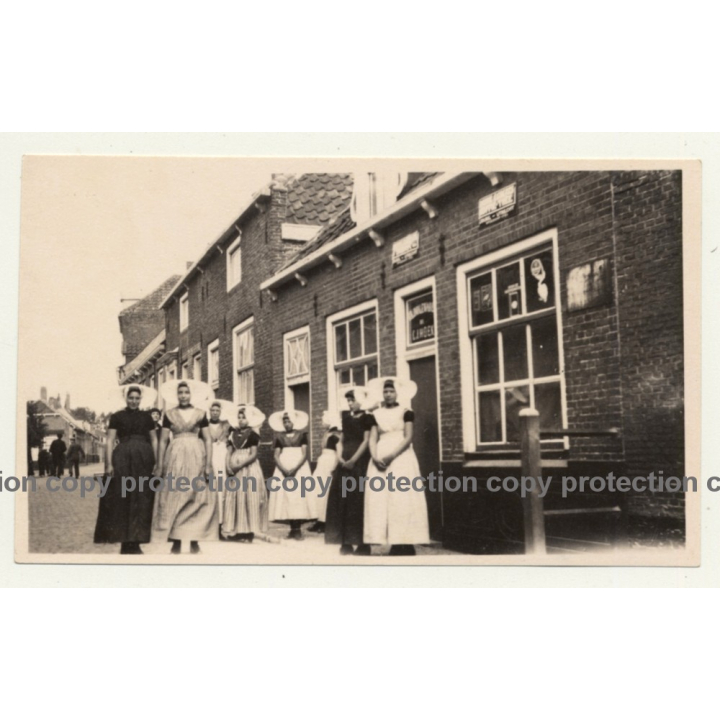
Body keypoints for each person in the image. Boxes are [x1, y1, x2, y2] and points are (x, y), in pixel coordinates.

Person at [364, 377, 430, 556]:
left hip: (401, 456)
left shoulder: (406, 411)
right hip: (380, 456)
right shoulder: (375, 414)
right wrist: (375, 456)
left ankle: (405, 542)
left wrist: (391, 456)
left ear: (397, 393)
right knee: (382, 500)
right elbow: (372, 438)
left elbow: (408, 437)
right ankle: (391, 541)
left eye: (391, 391)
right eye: (385, 391)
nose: (388, 394)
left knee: (401, 498)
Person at [155, 380, 217, 555]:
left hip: (196, 456)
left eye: (186, 393)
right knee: (175, 495)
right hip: (175, 457)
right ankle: (175, 539)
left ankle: (193, 539)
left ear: (191, 395)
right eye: (180, 392)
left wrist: (208, 464)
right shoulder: (169, 414)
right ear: (177, 395)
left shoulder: (200, 414)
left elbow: (207, 439)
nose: (183, 396)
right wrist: (159, 465)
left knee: (195, 496)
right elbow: (162, 440)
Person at [94, 385, 158, 554]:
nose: (134, 401)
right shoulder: (116, 417)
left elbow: (154, 440)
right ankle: (124, 541)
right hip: (122, 458)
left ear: (140, 399)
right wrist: (108, 464)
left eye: (137, 398)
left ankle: (136, 541)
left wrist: (157, 461)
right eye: (131, 398)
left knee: (141, 498)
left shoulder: (147, 417)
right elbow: (110, 440)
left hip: (144, 459)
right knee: (122, 498)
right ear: (126, 398)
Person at [325, 388, 373, 555]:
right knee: (342, 500)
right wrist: (340, 457)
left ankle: (362, 543)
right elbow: (341, 440)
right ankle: (345, 542)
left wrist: (354, 460)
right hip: (344, 461)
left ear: (361, 400)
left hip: (360, 461)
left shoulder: (368, 418)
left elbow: (367, 441)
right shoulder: (346, 417)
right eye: (348, 401)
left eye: (352, 400)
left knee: (358, 501)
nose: (350, 404)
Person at [223, 404, 267, 543]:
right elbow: (229, 452)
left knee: (249, 497)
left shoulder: (253, 434)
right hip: (234, 469)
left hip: (248, 468)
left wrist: (239, 465)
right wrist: (228, 465)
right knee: (236, 498)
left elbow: (253, 455)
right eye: (239, 417)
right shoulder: (233, 434)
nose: (241, 420)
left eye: (244, 417)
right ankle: (238, 530)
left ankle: (250, 531)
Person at [268, 409, 314, 540]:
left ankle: (298, 529)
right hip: (283, 468)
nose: (287, 423)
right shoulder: (279, 437)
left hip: (299, 468)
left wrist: (295, 469)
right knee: (286, 497)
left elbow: (304, 454)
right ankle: (292, 529)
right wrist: (283, 469)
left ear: (294, 421)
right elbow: (276, 455)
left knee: (298, 497)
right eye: (284, 421)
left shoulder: (302, 435)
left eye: (289, 421)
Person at [308, 411, 342, 534]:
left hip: (329, 463)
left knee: (326, 491)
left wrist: (334, 467)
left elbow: (339, 453)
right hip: (322, 463)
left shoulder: (336, 435)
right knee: (317, 490)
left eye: (324, 419)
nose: (322, 422)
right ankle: (319, 520)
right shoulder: (327, 434)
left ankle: (326, 522)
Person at [207, 400, 232, 537]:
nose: (215, 413)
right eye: (213, 410)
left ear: (220, 412)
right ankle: (209, 527)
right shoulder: (204, 424)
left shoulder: (226, 425)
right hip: (210, 458)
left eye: (217, 410)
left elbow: (230, 443)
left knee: (221, 491)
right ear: (209, 411)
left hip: (222, 458)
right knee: (211, 490)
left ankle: (220, 526)